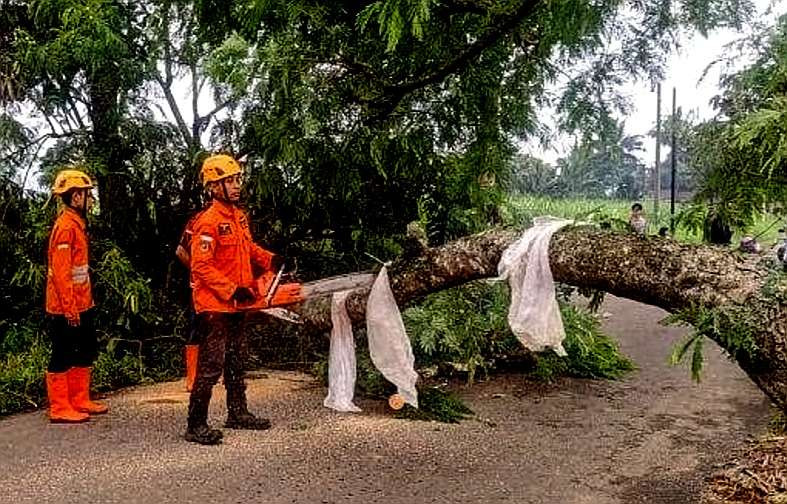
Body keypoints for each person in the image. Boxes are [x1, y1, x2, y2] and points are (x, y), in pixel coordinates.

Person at [185, 154, 283, 445]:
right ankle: (196, 424)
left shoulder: (238, 216)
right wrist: (230, 289)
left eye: (237, 179)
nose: (236, 185)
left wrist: (270, 259)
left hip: (240, 302)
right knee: (211, 365)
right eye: (229, 181)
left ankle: (238, 412)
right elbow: (200, 266)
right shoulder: (208, 222)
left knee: (237, 359)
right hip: (215, 305)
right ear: (214, 187)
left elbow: (248, 248)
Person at [44, 169, 108, 423]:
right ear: (75, 197)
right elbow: (62, 274)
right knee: (62, 352)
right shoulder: (65, 228)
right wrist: (70, 309)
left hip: (82, 303)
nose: (90, 199)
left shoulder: (77, 224)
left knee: (85, 349)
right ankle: (60, 407)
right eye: (86, 194)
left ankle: (79, 399)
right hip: (64, 306)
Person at [175, 209, 207, 392]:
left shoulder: (236, 217)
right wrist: (197, 270)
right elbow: (181, 251)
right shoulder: (197, 220)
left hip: (225, 288)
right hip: (201, 287)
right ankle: (193, 378)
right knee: (196, 328)